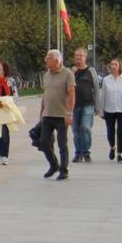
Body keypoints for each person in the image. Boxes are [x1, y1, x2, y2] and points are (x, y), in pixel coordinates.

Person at [38, 49, 75, 181]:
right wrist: (41, 111)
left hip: (61, 115)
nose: (45, 60)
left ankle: (64, 170)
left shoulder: (67, 74)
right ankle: (54, 165)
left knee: (62, 143)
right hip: (48, 114)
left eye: (48, 58)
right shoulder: (46, 75)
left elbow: (71, 94)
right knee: (43, 142)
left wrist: (69, 113)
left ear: (56, 60)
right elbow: (45, 94)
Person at [0, 61, 23, 165]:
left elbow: (15, 95)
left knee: (5, 132)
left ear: (4, 70)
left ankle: (5, 155)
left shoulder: (10, 81)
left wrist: (4, 102)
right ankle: (1, 154)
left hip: (6, 110)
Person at [70, 48, 101, 163]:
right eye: (77, 56)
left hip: (88, 104)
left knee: (85, 128)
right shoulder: (71, 72)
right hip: (73, 105)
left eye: (81, 56)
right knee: (76, 130)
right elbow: (66, 87)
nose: (78, 58)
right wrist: (72, 73)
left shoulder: (91, 71)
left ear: (85, 57)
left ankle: (86, 152)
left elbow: (96, 89)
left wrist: (98, 107)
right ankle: (78, 153)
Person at [99, 58, 122, 162]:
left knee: (120, 131)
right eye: (111, 64)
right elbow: (103, 95)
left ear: (119, 66)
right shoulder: (106, 80)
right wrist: (101, 110)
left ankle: (119, 153)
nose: (113, 66)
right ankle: (112, 147)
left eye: (115, 65)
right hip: (109, 109)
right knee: (110, 131)